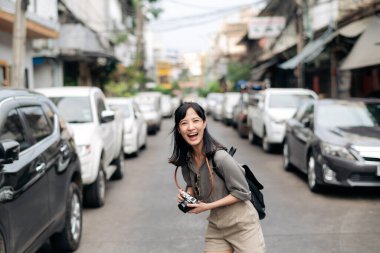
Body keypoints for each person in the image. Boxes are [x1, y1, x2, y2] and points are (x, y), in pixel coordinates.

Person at [169, 102, 265, 253]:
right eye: (184, 123)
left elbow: (242, 192)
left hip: (243, 226)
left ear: (204, 123)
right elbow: (191, 184)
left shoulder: (220, 157)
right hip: (217, 226)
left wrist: (207, 207)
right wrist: (188, 195)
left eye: (196, 121)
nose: (191, 127)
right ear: (179, 129)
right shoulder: (186, 160)